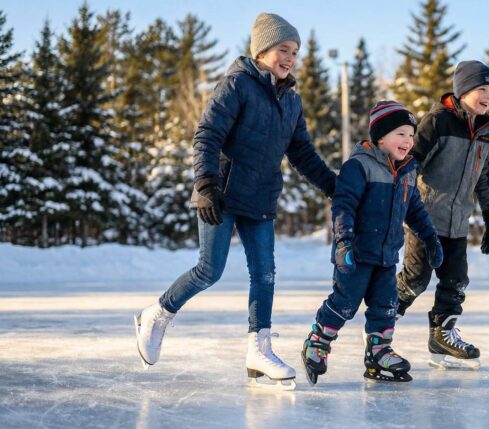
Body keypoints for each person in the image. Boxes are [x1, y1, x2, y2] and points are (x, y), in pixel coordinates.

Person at [133, 13, 336, 390]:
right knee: (210, 270)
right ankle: (156, 315)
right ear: (261, 50)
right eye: (283, 49)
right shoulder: (237, 84)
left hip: (260, 195)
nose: (290, 58)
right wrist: (206, 182)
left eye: (294, 51)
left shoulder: (291, 99)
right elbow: (207, 134)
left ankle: (258, 350)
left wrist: (332, 186)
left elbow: (302, 153)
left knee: (265, 274)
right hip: (221, 194)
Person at [301, 101, 443, 384]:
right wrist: (343, 242)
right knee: (345, 302)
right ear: (381, 137)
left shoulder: (407, 173)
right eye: (401, 134)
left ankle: (379, 352)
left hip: (387, 256)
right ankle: (317, 342)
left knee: (386, 305)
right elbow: (344, 205)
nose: (408, 141)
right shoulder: (359, 165)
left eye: (411, 135)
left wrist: (430, 238)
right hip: (355, 254)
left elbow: (414, 210)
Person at [395, 61, 489, 370]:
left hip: (457, 223)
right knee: (416, 278)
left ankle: (442, 335)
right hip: (425, 219)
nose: (488, 96)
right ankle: (380, 326)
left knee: (455, 281)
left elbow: (485, 178)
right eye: (482, 89)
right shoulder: (437, 122)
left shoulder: (485, 132)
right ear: (464, 90)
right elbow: (409, 162)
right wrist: (396, 203)